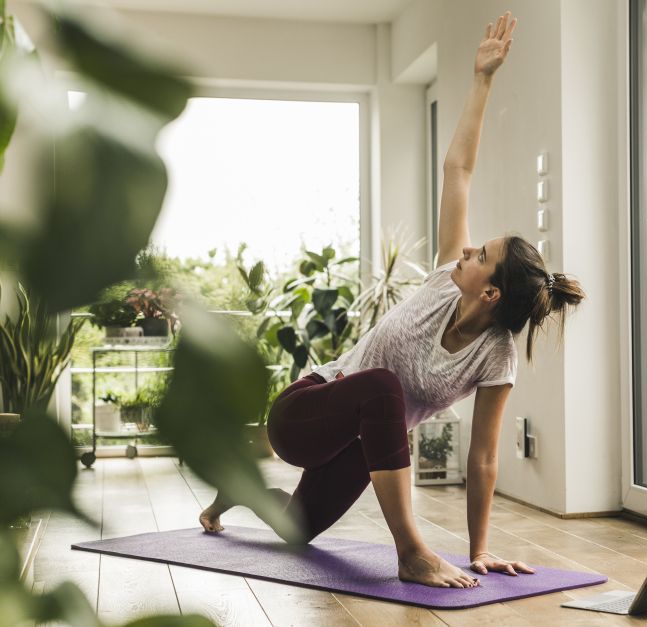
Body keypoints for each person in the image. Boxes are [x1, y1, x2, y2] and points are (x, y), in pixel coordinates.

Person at [199, 10, 586, 589]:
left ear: (491, 292)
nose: (465, 252)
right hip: (307, 411)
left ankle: (235, 489)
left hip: (359, 442)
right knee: (383, 387)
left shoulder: (495, 358)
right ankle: (412, 552)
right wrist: (482, 79)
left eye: (478, 255)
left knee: (296, 529)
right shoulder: (441, 282)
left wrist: (480, 551)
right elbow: (458, 168)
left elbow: (482, 457)